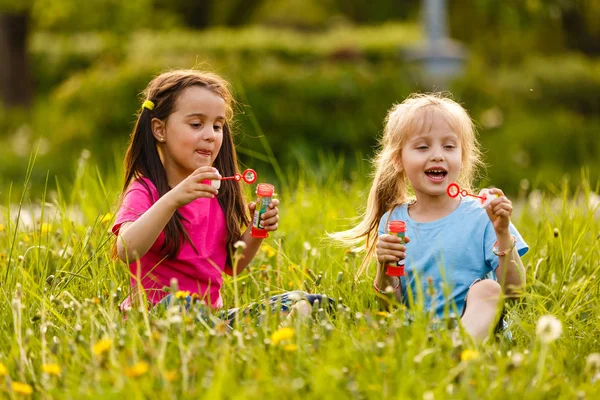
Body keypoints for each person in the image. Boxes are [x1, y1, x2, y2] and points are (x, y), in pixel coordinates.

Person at [111, 69, 328, 323]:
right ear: (160, 130)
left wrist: (257, 229)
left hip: (212, 316)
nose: (210, 135)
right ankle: (251, 329)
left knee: (307, 300)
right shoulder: (145, 190)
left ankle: (240, 327)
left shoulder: (217, 192)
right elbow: (127, 250)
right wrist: (172, 200)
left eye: (217, 126)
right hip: (156, 315)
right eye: (196, 124)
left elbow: (232, 266)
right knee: (181, 305)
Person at [332, 93, 528, 342]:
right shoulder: (395, 220)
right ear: (398, 160)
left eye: (449, 146)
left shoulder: (482, 216)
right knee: (370, 325)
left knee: (488, 289)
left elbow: (514, 293)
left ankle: (458, 346)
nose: (437, 155)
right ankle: (437, 349)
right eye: (423, 147)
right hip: (417, 332)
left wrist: (502, 232)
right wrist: (384, 267)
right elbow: (391, 306)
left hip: (478, 329)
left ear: (462, 157)